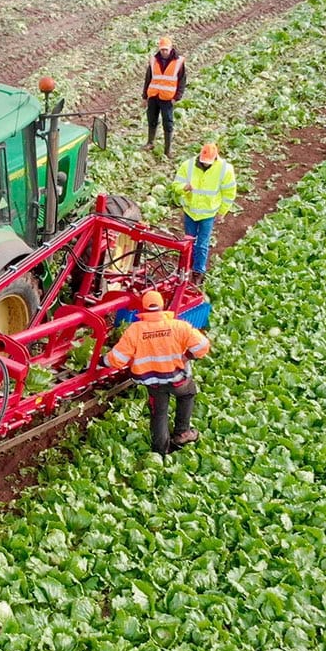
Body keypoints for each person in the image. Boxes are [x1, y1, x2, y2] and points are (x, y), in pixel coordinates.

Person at [104, 290, 210, 455]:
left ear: (144, 309)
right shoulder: (178, 326)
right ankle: (182, 433)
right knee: (188, 394)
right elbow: (203, 345)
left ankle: (160, 451)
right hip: (177, 378)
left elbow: (117, 359)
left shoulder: (135, 330)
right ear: (162, 306)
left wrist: (101, 361)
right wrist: (186, 356)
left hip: (153, 382)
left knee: (159, 412)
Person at [171, 142, 236, 287]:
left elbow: (229, 193)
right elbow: (175, 186)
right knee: (189, 242)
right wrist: (183, 188)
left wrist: (222, 212)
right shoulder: (187, 166)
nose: (205, 165)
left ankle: (198, 272)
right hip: (190, 211)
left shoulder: (225, 170)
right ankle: (186, 269)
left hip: (208, 214)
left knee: (202, 244)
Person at [141, 36, 187, 157]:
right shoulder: (154, 61)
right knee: (152, 120)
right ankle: (150, 142)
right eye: (162, 50)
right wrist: (145, 96)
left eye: (166, 49)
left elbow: (182, 81)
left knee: (168, 123)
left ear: (171, 49)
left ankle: (168, 150)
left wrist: (177, 97)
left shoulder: (178, 62)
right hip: (154, 96)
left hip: (167, 98)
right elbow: (148, 79)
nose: (164, 52)